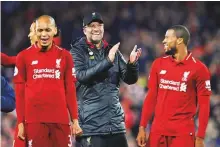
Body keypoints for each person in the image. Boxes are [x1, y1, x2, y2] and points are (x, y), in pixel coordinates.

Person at [70, 12, 142, 147]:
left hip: (115, 126)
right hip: (91, 127)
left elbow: (129, 79)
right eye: (92, 26)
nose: (96, 28)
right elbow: (81, 76)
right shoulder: (77, 52)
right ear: (84, 30)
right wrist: (108, 61)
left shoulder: (112, 50)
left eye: (99, 25)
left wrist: (132, 64)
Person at [136, 25, 211, 147]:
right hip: (157, 133)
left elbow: (204, 104)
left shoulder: (199, 69)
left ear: (180, 40)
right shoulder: (158, 64)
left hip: (183, 135)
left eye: (167, 38)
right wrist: (142, 126)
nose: (163, 41)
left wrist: (200, 137)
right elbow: (151, 97)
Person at [14, 15, 82, 147]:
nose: (44, 34)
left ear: (54, 30)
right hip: (35, 121)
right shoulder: (23, 57)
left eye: (47, 30)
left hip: (60, 121)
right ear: (35, 32)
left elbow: (70, 90)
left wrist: (75, 120)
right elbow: (20, 93)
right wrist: (20, 123)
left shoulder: (66, 56)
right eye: (40, 30)